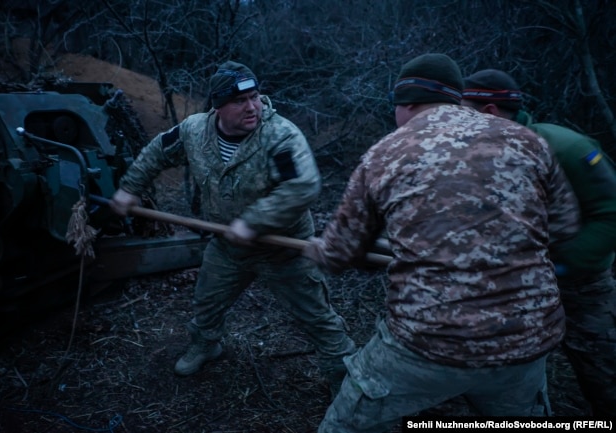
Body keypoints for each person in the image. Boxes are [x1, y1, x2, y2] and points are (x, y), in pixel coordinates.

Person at [303, 53, 581, 432]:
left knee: (347, 425)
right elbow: (564, 226)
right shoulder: (527, 141)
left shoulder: (384, 154)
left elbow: (338, 253)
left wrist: (315, 248)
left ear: (407, 102)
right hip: (525, 337)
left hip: (429, 342)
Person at [110, 60, 356, 391]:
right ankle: (207, 344)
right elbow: (156, 153)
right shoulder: (195, 132)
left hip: (283, 249)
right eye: (240, 101)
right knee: (206, 303)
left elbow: (302, 186)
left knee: (317, 317)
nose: (252, 106)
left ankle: (344, 376)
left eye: (255, 96)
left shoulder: (279, 136)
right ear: (219, 106)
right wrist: (130, 188)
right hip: (227, 247)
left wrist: (253, 222)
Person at [462, 68, 616, 418]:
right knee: (511, 386)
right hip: (516, 290)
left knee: (605, 378)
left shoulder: (565, 147)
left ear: (489, 112)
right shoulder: (480, 155)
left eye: (461, 111)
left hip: (582, 290)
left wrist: (561, 265)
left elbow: (611, 214)